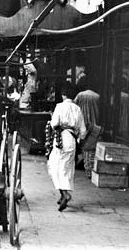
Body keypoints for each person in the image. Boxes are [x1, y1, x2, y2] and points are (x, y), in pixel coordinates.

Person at [47, 81, 87, 211]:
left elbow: (54, 124)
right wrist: (79, 140)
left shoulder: (59, 106)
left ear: (63, 95)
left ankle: (65, 194)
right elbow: (83, 131)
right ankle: (62, 194)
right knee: (67, 168)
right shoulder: (77, 109)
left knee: (54, 166)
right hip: (72, 140)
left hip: (60, 139)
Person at [75, 78, 102, 176]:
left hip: (83, 123)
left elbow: (75, 106)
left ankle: (86, 166)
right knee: (91, 147)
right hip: (94, 124)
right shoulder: (97, 96)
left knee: (84, 146)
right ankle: (89, 167)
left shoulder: (80, 95)